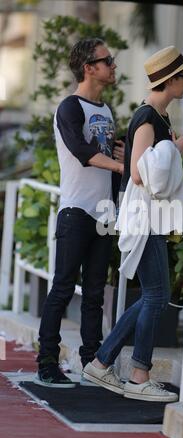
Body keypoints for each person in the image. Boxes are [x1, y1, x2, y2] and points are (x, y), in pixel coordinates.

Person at [82, 46, 183, 402]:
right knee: (157, 296)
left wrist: (173, 147)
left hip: (151, 218)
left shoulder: (159, 117)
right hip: (143, 218)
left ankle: (102, 363)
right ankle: (138, 375)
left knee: (152, 295)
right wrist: (175, 150)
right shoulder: (147, 118)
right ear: (171, 80)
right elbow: (139, 171)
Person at [34, 38, 125, 388]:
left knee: (94, 294)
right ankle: (46, 362)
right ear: (89, 67)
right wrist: (121, 167)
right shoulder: (70, 108)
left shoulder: (105, 110)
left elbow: (105, 152)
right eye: (108, 60)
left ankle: (92, 362)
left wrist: (122, 151)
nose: (113, 66)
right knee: (61, 289)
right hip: (75, 212)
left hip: (103, 213)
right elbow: (83, 152)